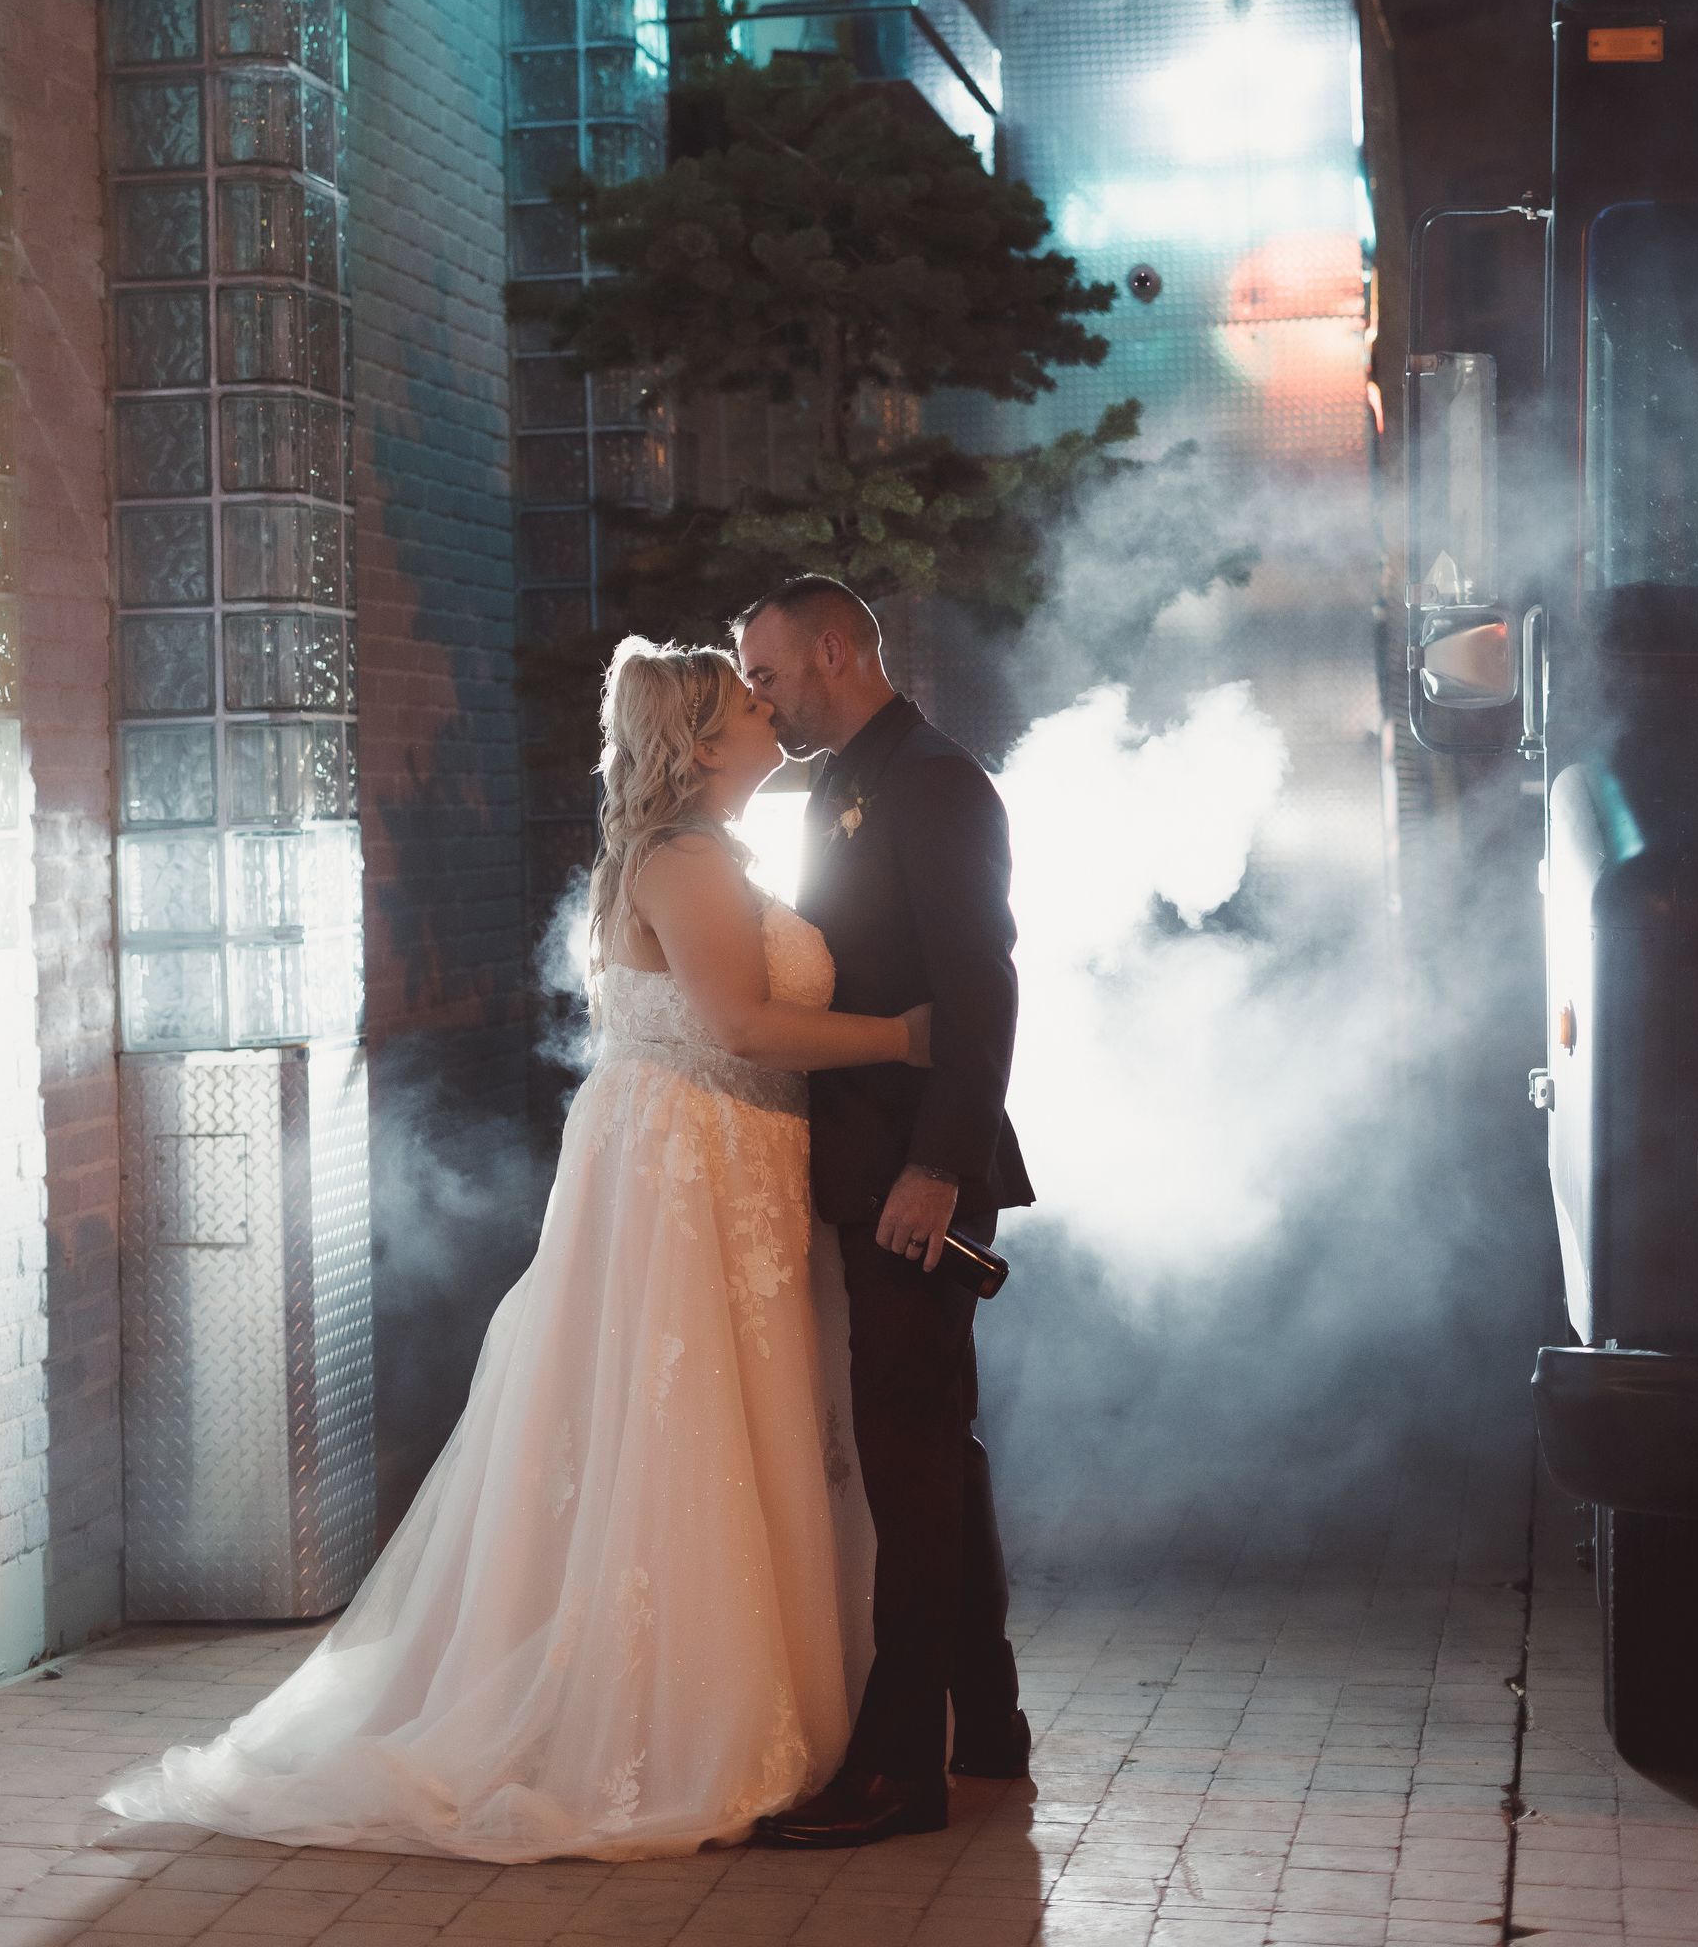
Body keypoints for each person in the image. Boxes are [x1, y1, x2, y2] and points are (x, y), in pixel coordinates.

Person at [98, 638, 929, 1863]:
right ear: (702, 744)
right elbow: (745, 1024)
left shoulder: (708, 852)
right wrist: (907, 1039)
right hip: (693, 1168)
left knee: (731, 1424)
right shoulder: (688, 861)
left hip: (722, 1165)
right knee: (686, 1423)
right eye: (750, 705)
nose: (771, 715)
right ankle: (678, 1727)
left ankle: (734, 1707)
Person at [737, 575, 1033, 1851]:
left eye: (768, 671)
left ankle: (900, 1768)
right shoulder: (846, 779)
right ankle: (991, 1722)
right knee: (934, 1453)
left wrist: (938, 1168)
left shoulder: (932, 778)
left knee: (909, 1464)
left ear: (840, 650)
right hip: (870, 1164)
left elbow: (984, 989)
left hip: (915, 1173)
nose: (757, 693)